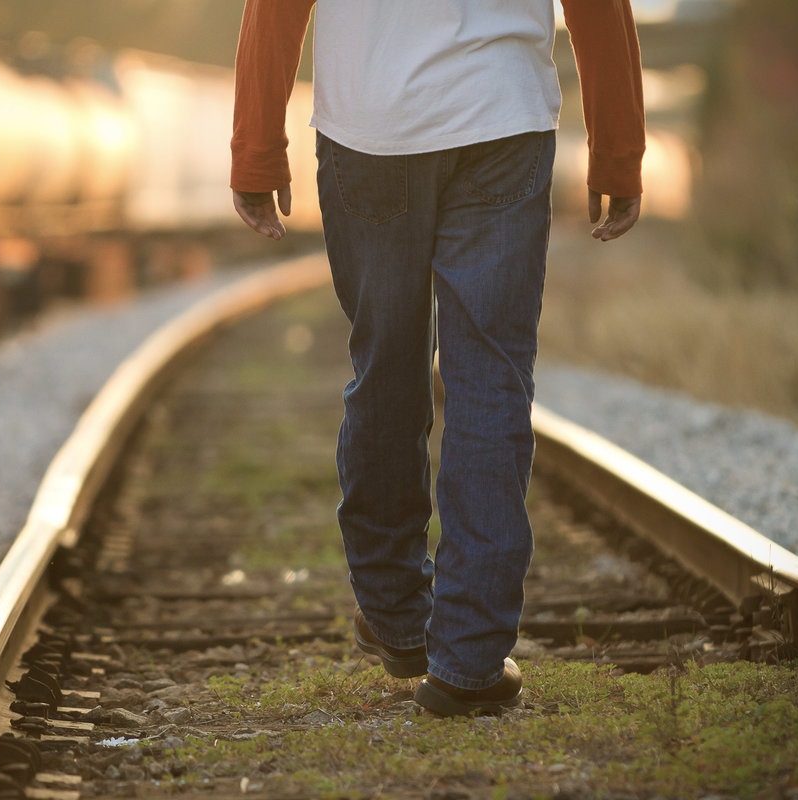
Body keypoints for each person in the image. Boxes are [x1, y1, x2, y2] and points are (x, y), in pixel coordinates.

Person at [230, 0, 645, 716]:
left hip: (371, 125)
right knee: (491, 380)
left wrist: (256, 147)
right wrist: (617, 148)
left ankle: (395, 614)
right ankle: (469, 661)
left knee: (385, 366)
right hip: (501, 118)